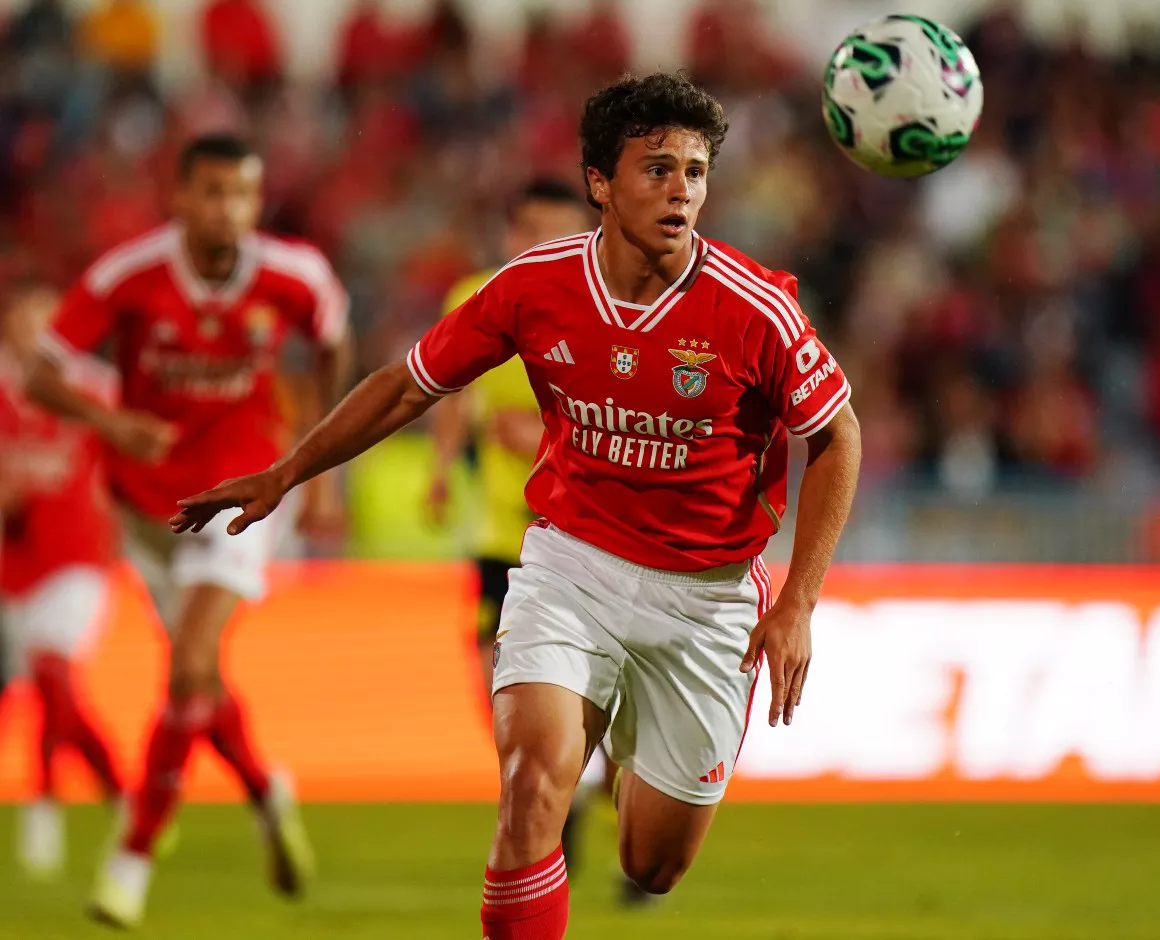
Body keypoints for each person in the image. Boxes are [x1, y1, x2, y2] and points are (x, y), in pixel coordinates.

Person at [171, 73, 861, 940]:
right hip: (574, 565)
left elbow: (838, 437)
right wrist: (287, 473)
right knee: (533, 782)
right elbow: (405, 388)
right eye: (656, 169)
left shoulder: (754, 306)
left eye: (694, 171)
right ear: (598, 185)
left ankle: (627, 737)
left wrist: (796, 601)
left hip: (709, 594)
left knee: (652, 862)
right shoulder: (533, 286)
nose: (681, 189)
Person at [27, 134, 354, 929]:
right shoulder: (129, 274)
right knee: (197, 681)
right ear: (179, 199)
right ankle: (265, 792)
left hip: (238, 495)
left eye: (242, 194)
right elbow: (43, 370)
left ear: (257, 199)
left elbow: (335, 340)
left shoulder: (295, 273)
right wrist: (113, 421)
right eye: (211, 193)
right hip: (147, 510)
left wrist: (319, 466)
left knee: (192, 662)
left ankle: (133, 854)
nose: (227, 210)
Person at [427, 178, 641, 891]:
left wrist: (546, 440)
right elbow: (452, 385)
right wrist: (437, 467)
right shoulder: (476, 295)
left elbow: (624, 414)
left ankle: (609, 810)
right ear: (510, 234)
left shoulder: (605, 301)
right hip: (499, 528)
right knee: (499, 677)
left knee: (605, 692)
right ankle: (558, 800)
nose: (541, 244)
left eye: (557, 229)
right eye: (530, 230)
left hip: (585, 526)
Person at [0, 283, 125, 879]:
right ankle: (122, 793)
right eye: (27, 324)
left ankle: (43, 804)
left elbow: (131, 465)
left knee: (52, 672)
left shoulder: (97, 391)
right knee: (56, 696)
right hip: (12, 570)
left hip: (78, 560)